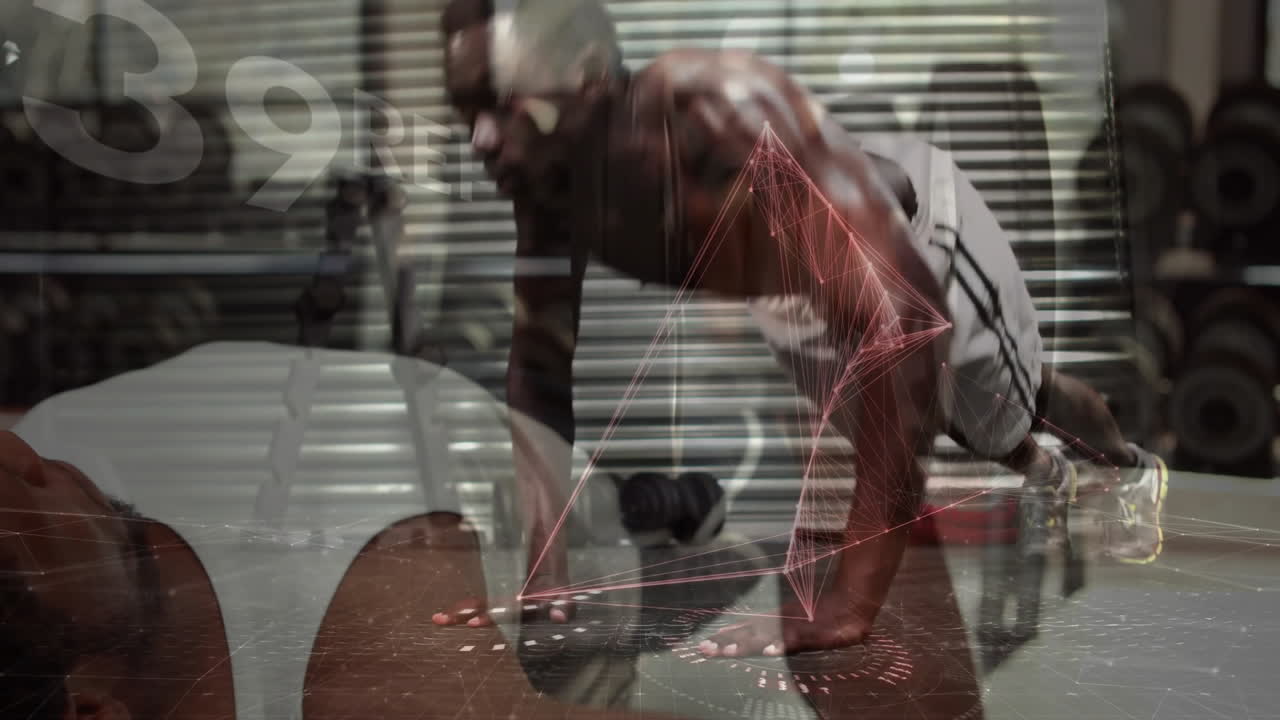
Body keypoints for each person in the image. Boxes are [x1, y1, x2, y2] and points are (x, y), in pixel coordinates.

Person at [431, 0, 1169, 657]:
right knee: (944, 430)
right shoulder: (550, 179)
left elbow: (905, 326)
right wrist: (544, 571)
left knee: (1008, 414)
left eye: (503, 104)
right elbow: (539, 370)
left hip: (919, 231)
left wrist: (850, 605)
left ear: (587, 75)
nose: (481, 140)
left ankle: (1128, 464)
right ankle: (1041, 473)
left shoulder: (719, 118)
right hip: (796, 279)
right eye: (468, 111)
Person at [0, 342, 681, 720]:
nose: (24, 460)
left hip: (567, 544)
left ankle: (662, 510)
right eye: (12, 550)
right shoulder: (356, 680)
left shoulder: (368, 633)